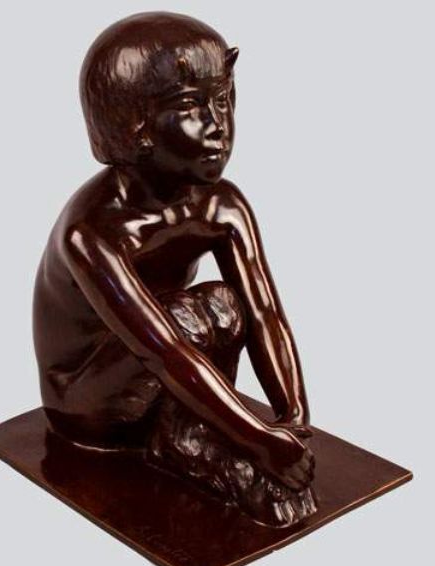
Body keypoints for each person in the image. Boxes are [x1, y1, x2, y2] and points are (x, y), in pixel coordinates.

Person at [33, 12, 316, 526]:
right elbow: (162, 350)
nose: (218, 125)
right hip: (86, 403)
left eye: (222, 100)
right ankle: (190, 442)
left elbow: (265, 314)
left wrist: (292, 417)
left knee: (222, 305)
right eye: (189, 106)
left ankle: (194, 431)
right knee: (187, 316)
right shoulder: (94, 232)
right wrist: (258, 438)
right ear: (132, 124)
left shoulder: (221, 206)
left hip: (170, 364)